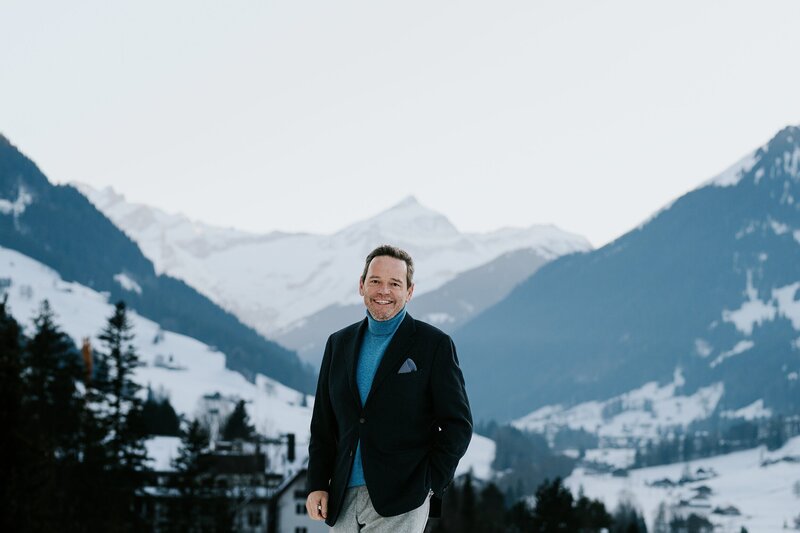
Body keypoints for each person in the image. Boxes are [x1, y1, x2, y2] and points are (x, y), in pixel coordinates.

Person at [306, 244, 473, 531]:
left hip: (402, 500)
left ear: (409, 291)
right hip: (341, 498)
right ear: (361, 285)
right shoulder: (338, 344)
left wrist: (429, 483)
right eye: (375, 281)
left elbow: (458, 424)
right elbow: (323, 424)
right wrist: (317, 483)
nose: (383, 291)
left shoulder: (433, 345)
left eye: (394, 283)